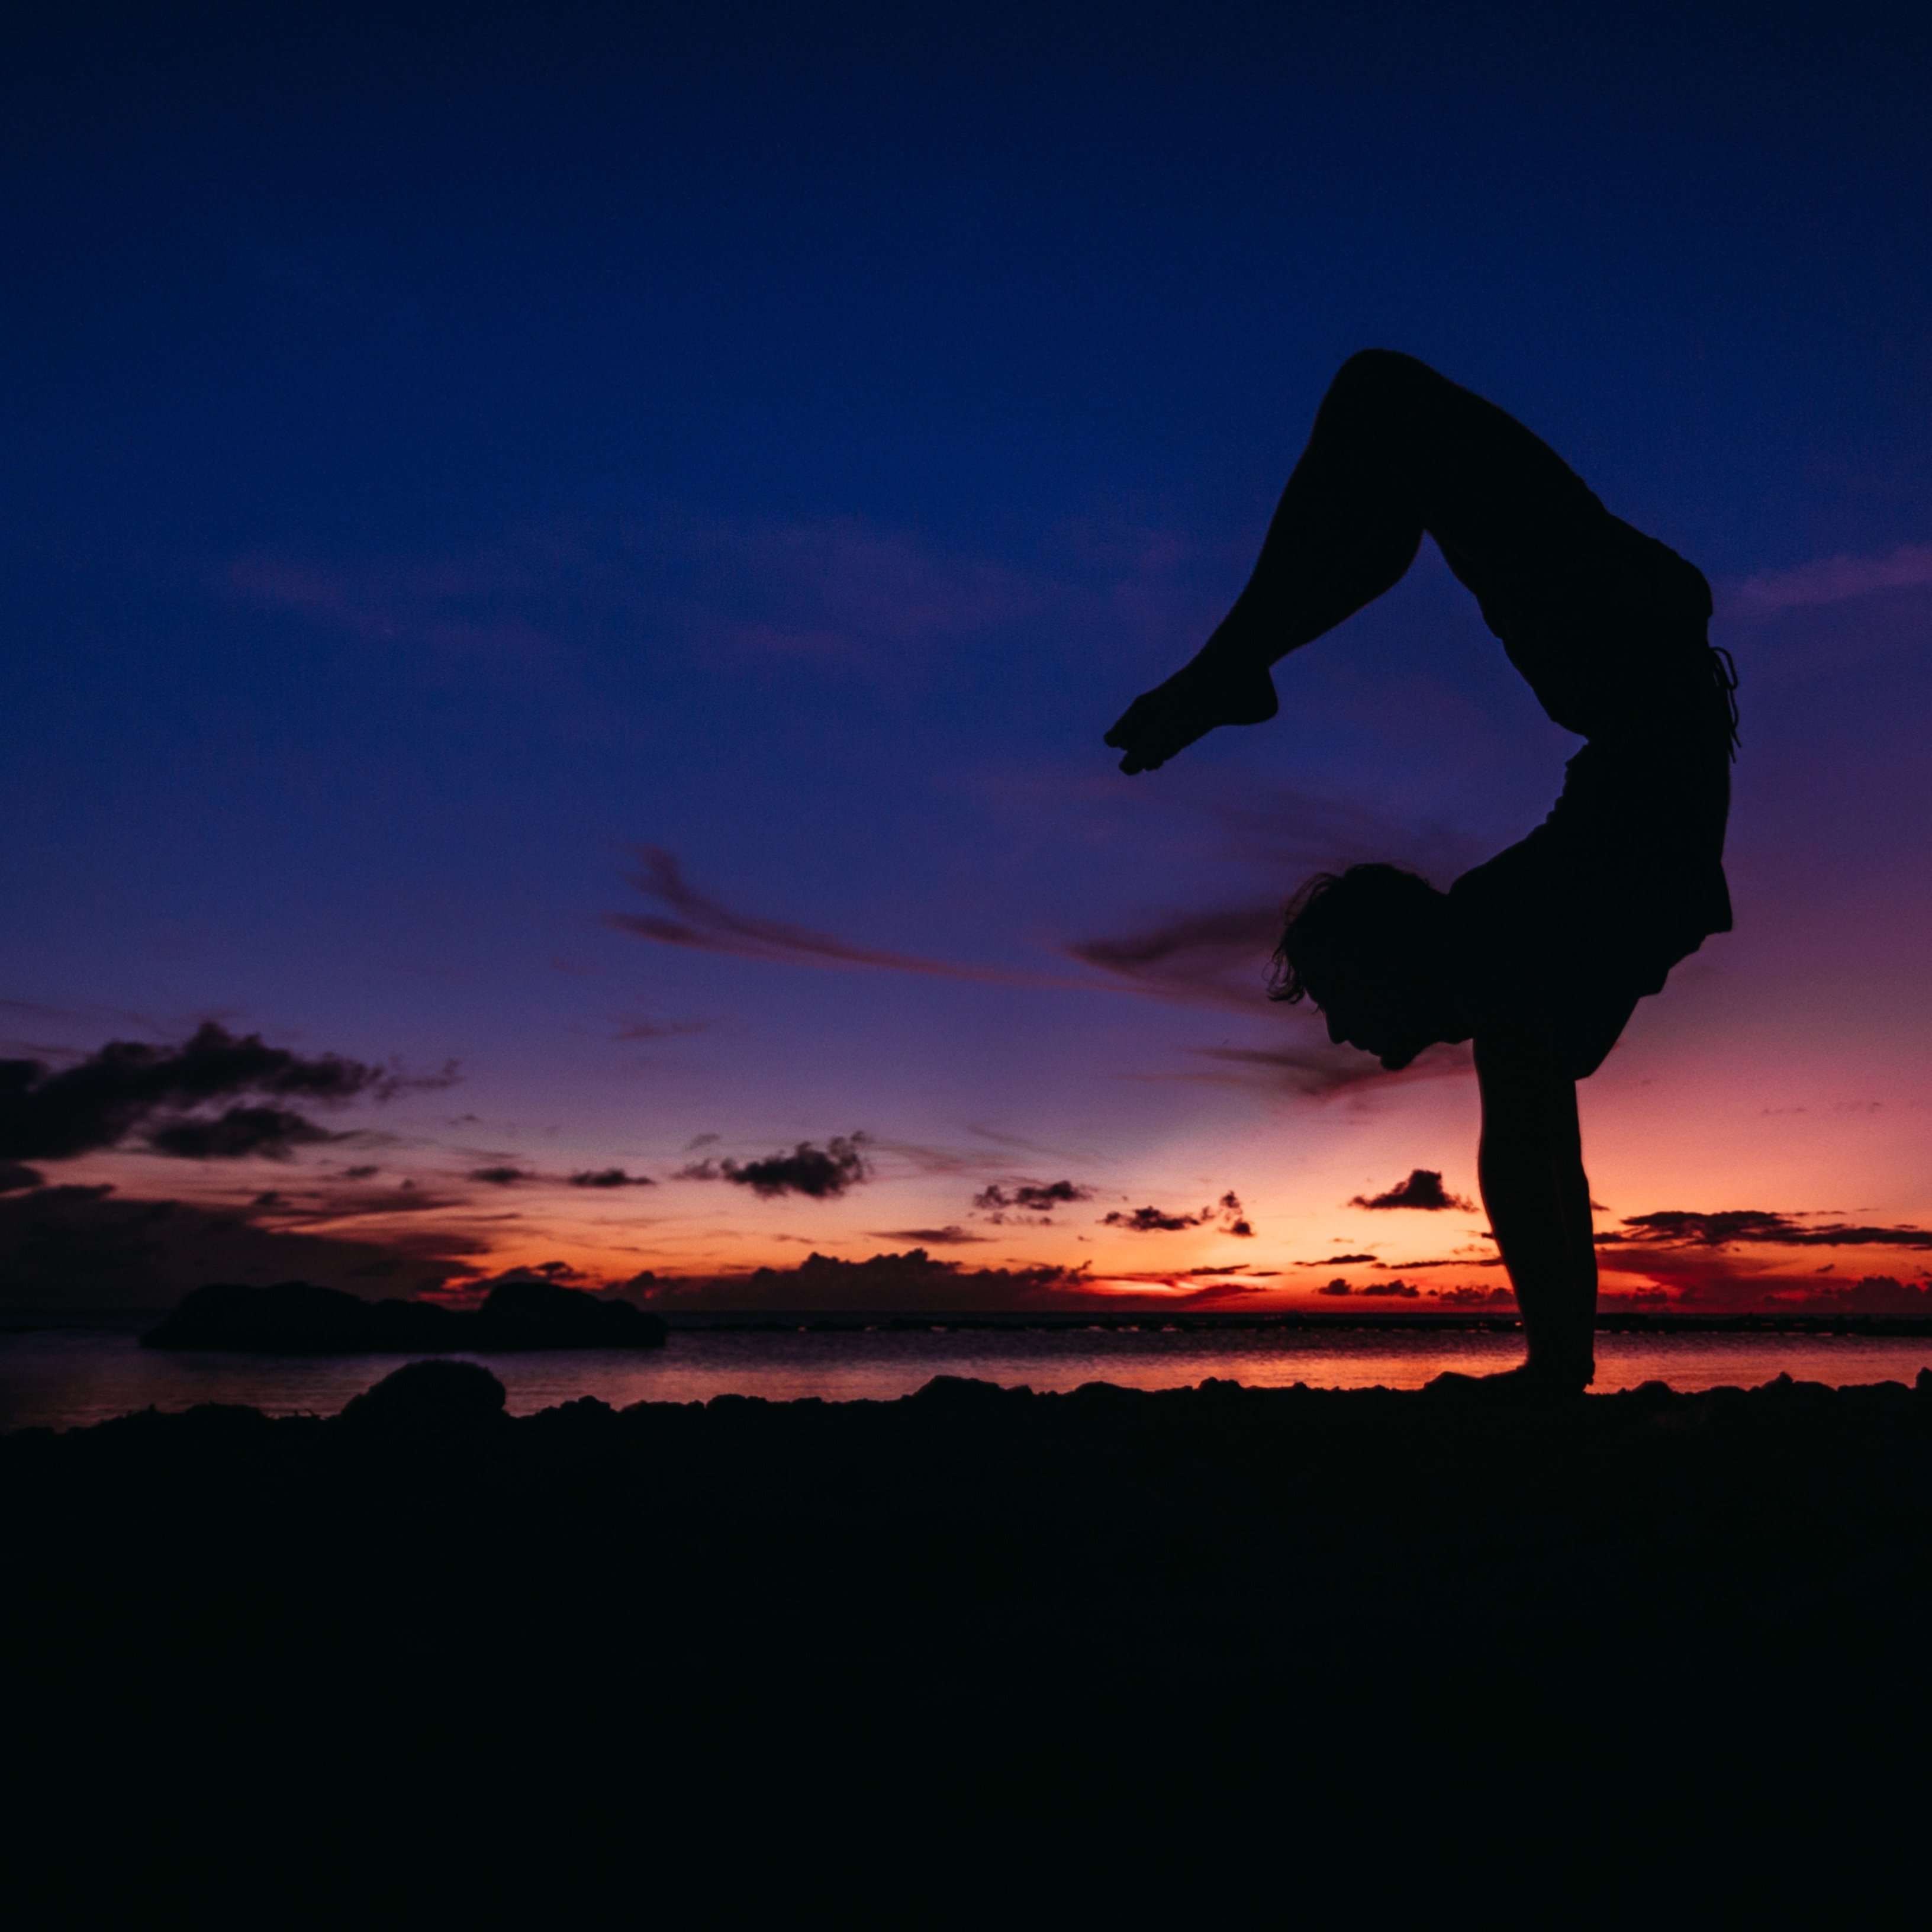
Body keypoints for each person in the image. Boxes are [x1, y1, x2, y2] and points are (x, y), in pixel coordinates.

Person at [1104, 350, 1737, 1396]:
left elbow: (1529, 1161)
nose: (1350, 1037)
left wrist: (1555, 1370)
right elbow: (1543, 1160)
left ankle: (1234, 667)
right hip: (1633, 674)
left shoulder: (1497, 942)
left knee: (1385, 419)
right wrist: (1559, 1367)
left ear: (1395, 955)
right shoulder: (1510, 959)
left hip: (1632, 671)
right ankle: (1237, 666)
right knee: (1387, 429)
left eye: (1344, 1003)